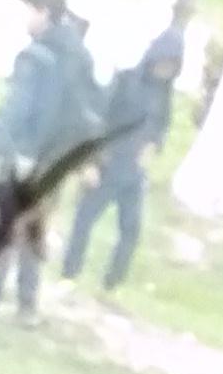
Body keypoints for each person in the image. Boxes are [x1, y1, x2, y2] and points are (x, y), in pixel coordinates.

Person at [0, 0, 98, 318]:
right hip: (55, 160)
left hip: (24, 155)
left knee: (5, 228)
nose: (25, 18)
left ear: (43, 12)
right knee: (35, 228)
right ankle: (27, 304)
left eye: (28, 11)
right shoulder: (80, 55)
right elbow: (87, 111)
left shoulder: (34, 58)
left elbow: (18, 108)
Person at [66, 28, 184, 291]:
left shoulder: (164, 94)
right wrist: (90, 163)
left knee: (131, 229)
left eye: (173, 66)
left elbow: (161, 125)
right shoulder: (125, 81)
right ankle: (70, 273)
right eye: (164, 62)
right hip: (107, 164)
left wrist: (154, 144)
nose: (166, 69)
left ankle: (112, 283)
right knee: (84, 220)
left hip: (134, 172)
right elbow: (98, 120)